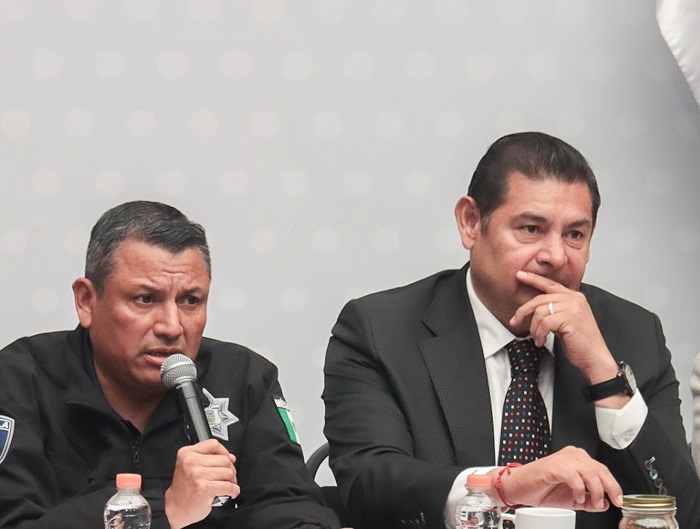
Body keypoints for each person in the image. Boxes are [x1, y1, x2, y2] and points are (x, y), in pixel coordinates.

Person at [322, 132, 700, 529]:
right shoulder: (381, 330)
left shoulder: (634, 334)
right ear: (471, 222)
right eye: (531, 229)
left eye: (574, 235)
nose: (555, 256)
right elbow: (367, 482)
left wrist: (605, 377)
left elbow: (684, 515)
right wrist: (503, 486)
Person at [0, 201, 341, 529]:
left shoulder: (244, 378)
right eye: (145, 299)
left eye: (190, 301)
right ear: (86, 301)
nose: (172, 326)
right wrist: (167, 509)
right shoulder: (19, 381)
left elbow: (286, 503)